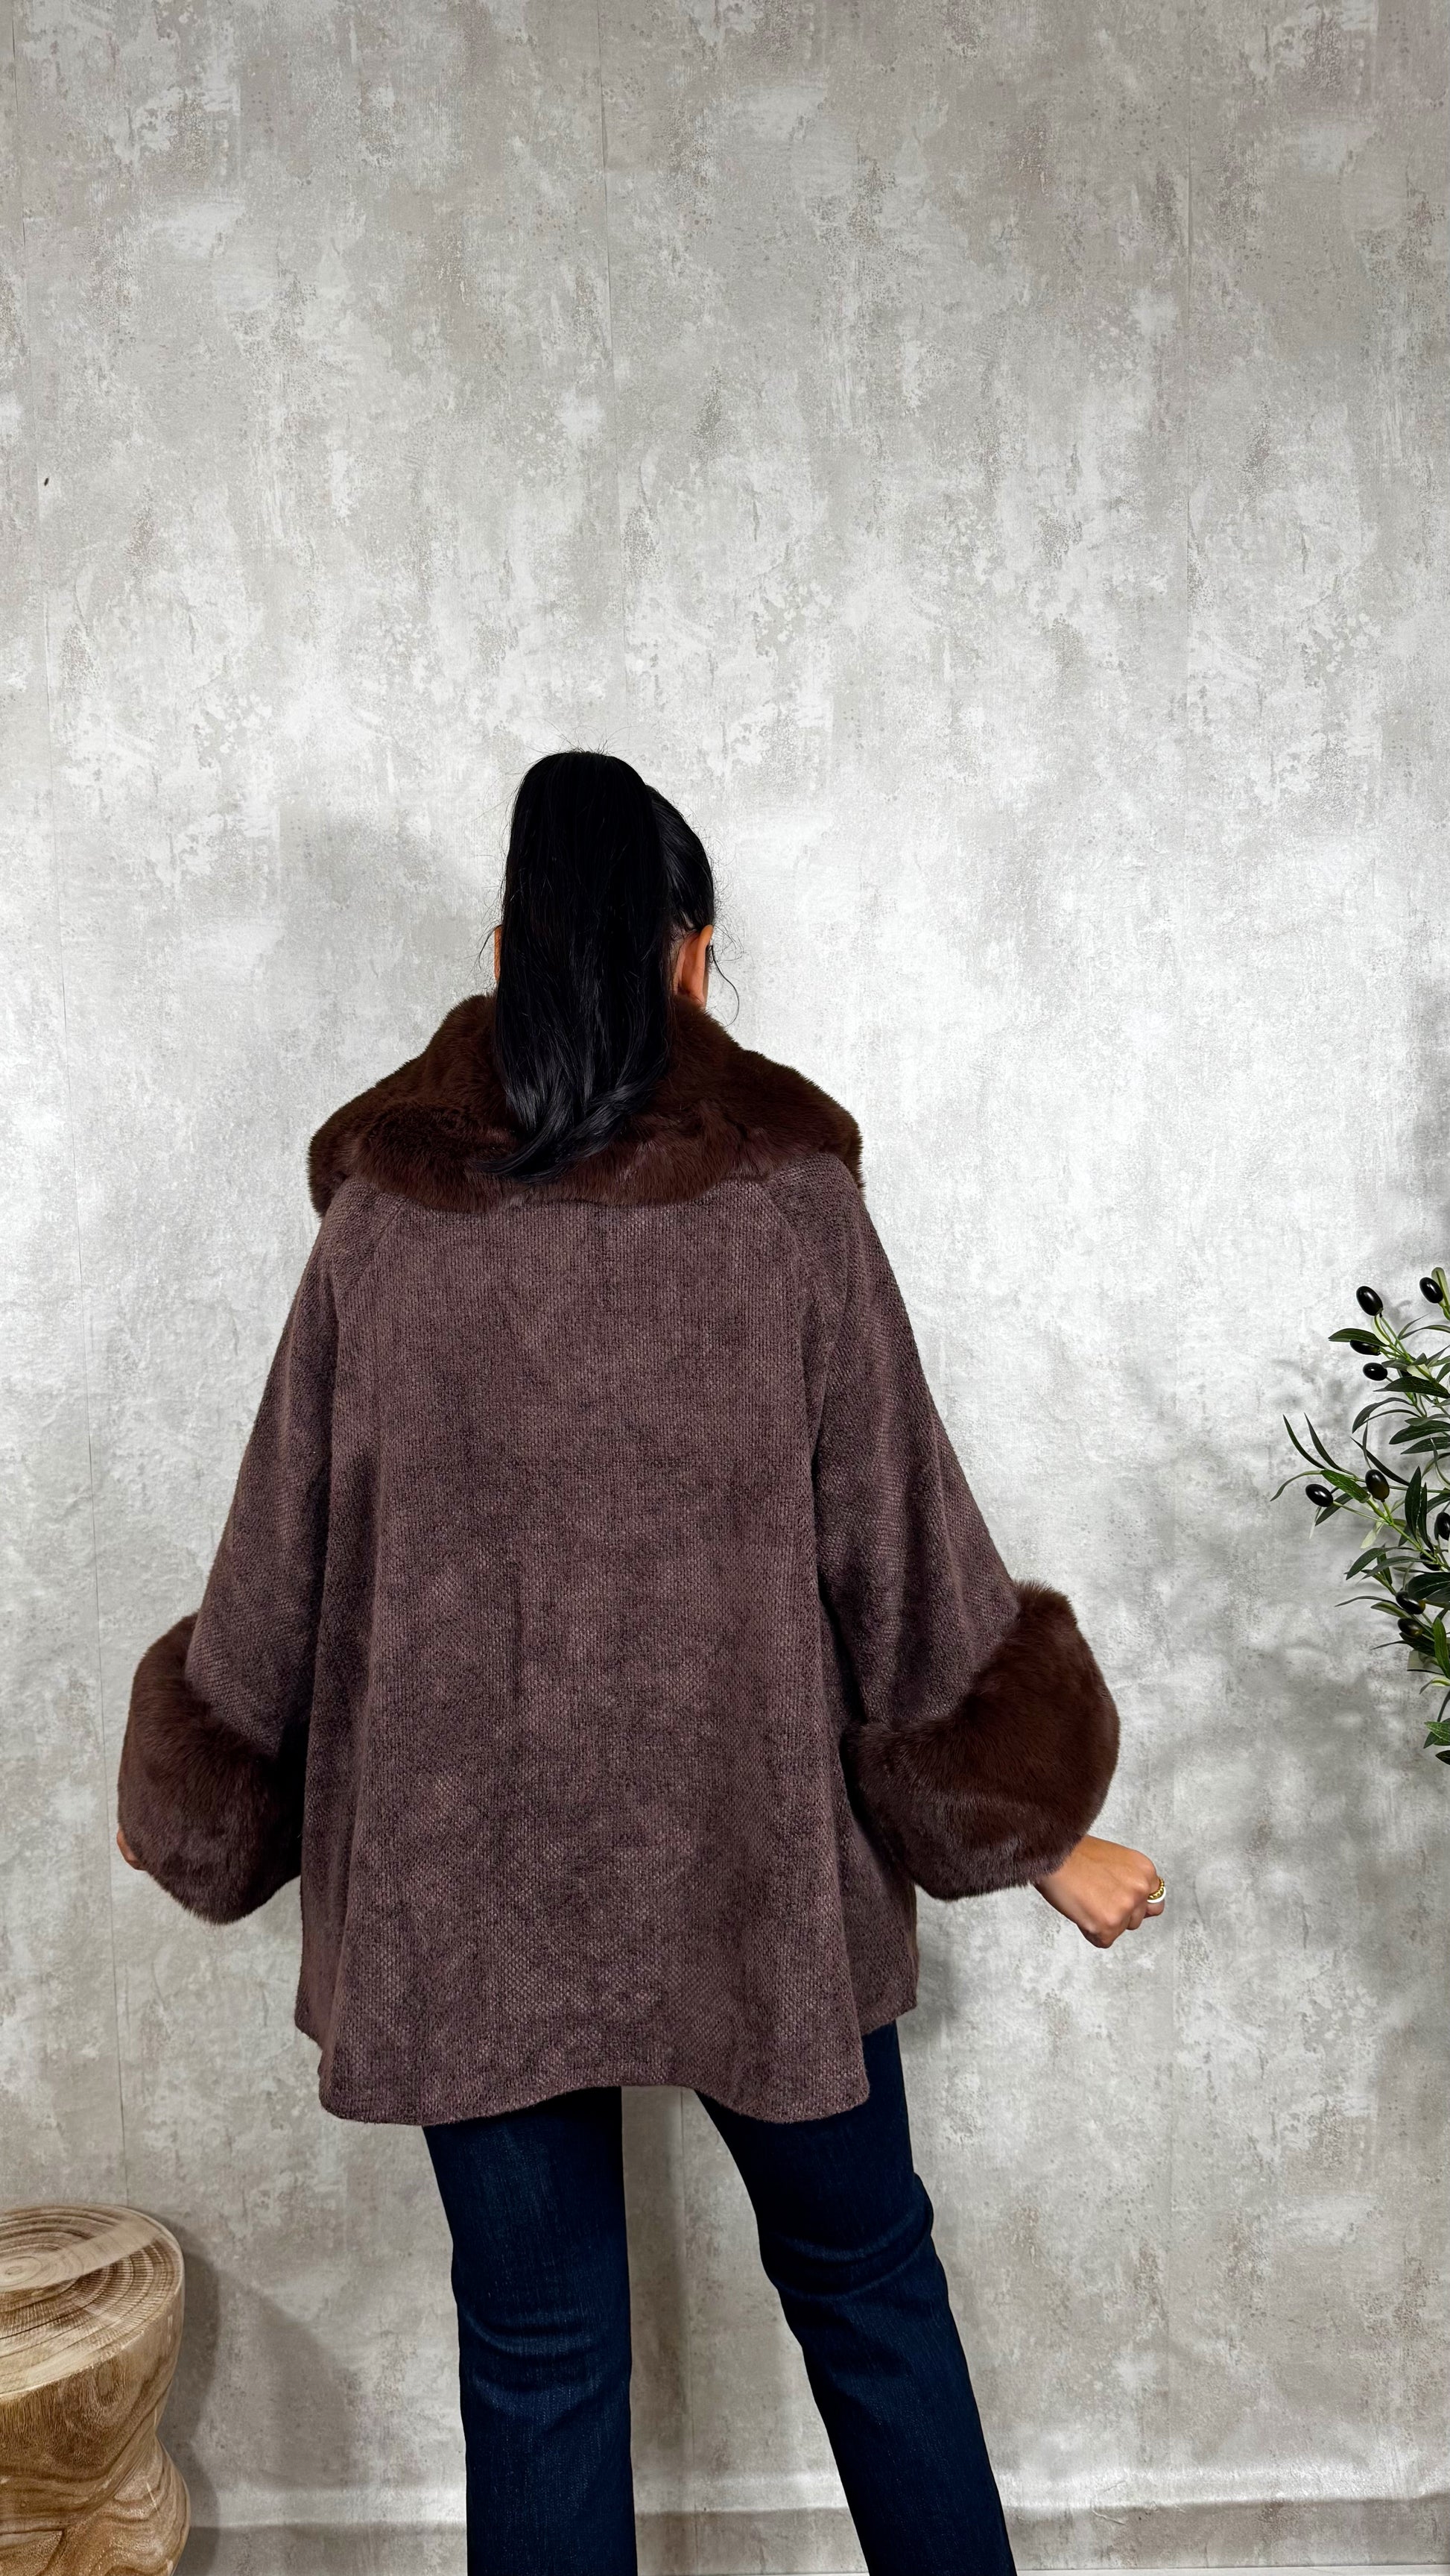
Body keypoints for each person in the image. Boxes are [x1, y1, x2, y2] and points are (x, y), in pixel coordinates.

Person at [116, 748, 1165, 2576]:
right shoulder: (788, 1207)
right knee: (867, 2289)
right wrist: (1033, 1833)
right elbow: (904, 1556)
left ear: (507, 952)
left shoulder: (383, 1229)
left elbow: (279, 1555)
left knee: (539, 2358)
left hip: (461, 1888)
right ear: (691, 956)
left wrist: (208, 1797)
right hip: (752, 1867)